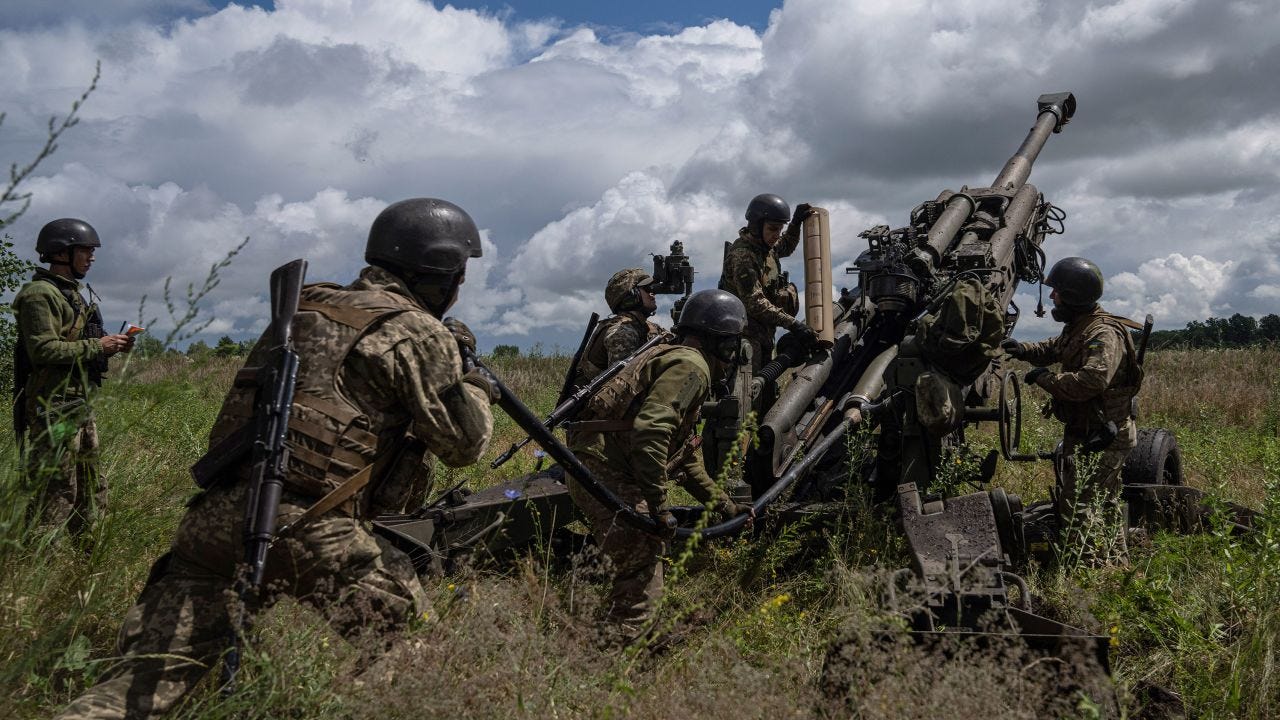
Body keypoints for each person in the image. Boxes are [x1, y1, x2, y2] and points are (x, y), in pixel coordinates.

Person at [56, 198, 498, 719]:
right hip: (311, 526)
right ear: (441, 275)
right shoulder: (414, 330)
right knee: (418, 659)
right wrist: (475, 387)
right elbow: (464, 446)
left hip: (213, 520)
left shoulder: (304, 307)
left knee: (140, 685)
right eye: (459, 278)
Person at [565, 289, 755, 634]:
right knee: (641, 563)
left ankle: (626, 634)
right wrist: (658, 507)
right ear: (723, 342)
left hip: (593, 463)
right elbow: (652, 432)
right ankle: (619, 652)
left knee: (638, 560)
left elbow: (684, 460)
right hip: (607, 469)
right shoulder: (691, 367)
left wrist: (726, 507)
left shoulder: (673, 355)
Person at [1002, 257, 1142, 543]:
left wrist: (1045, 379)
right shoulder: (1080, 326)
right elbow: (1055, 347)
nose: (1052, 296)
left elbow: (1090, 382)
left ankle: (1085, 568)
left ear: (1074, 296)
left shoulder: (1101, 333)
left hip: (1105, 436)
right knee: (1100, 501)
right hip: (1088, 431)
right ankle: (1112, 557)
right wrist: (1022, 349)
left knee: (1079, 507)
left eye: (1058, 291)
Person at [13, 218, 134, 536]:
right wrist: (98, 345)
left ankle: (86, 558)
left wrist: (113, 345)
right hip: (54, 407)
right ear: (62, 252)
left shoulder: (74, 296)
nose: (91, 257)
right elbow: (43, 350)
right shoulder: (40, 295)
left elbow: (77, 344)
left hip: (78, 403)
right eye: (85, 250)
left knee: (91, 486)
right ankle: (42, 568)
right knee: (56, 489)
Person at [718, 193, 816, 373]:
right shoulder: (743, 256)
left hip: (762, 334)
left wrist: (795, 222)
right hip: (744, 338)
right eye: (772, 229)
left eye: (780, 229)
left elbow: (785, 245)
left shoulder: (765, 248)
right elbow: (754, 303)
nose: (776, 235)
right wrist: (793, 324)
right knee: (750, 392)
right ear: (756, 225)